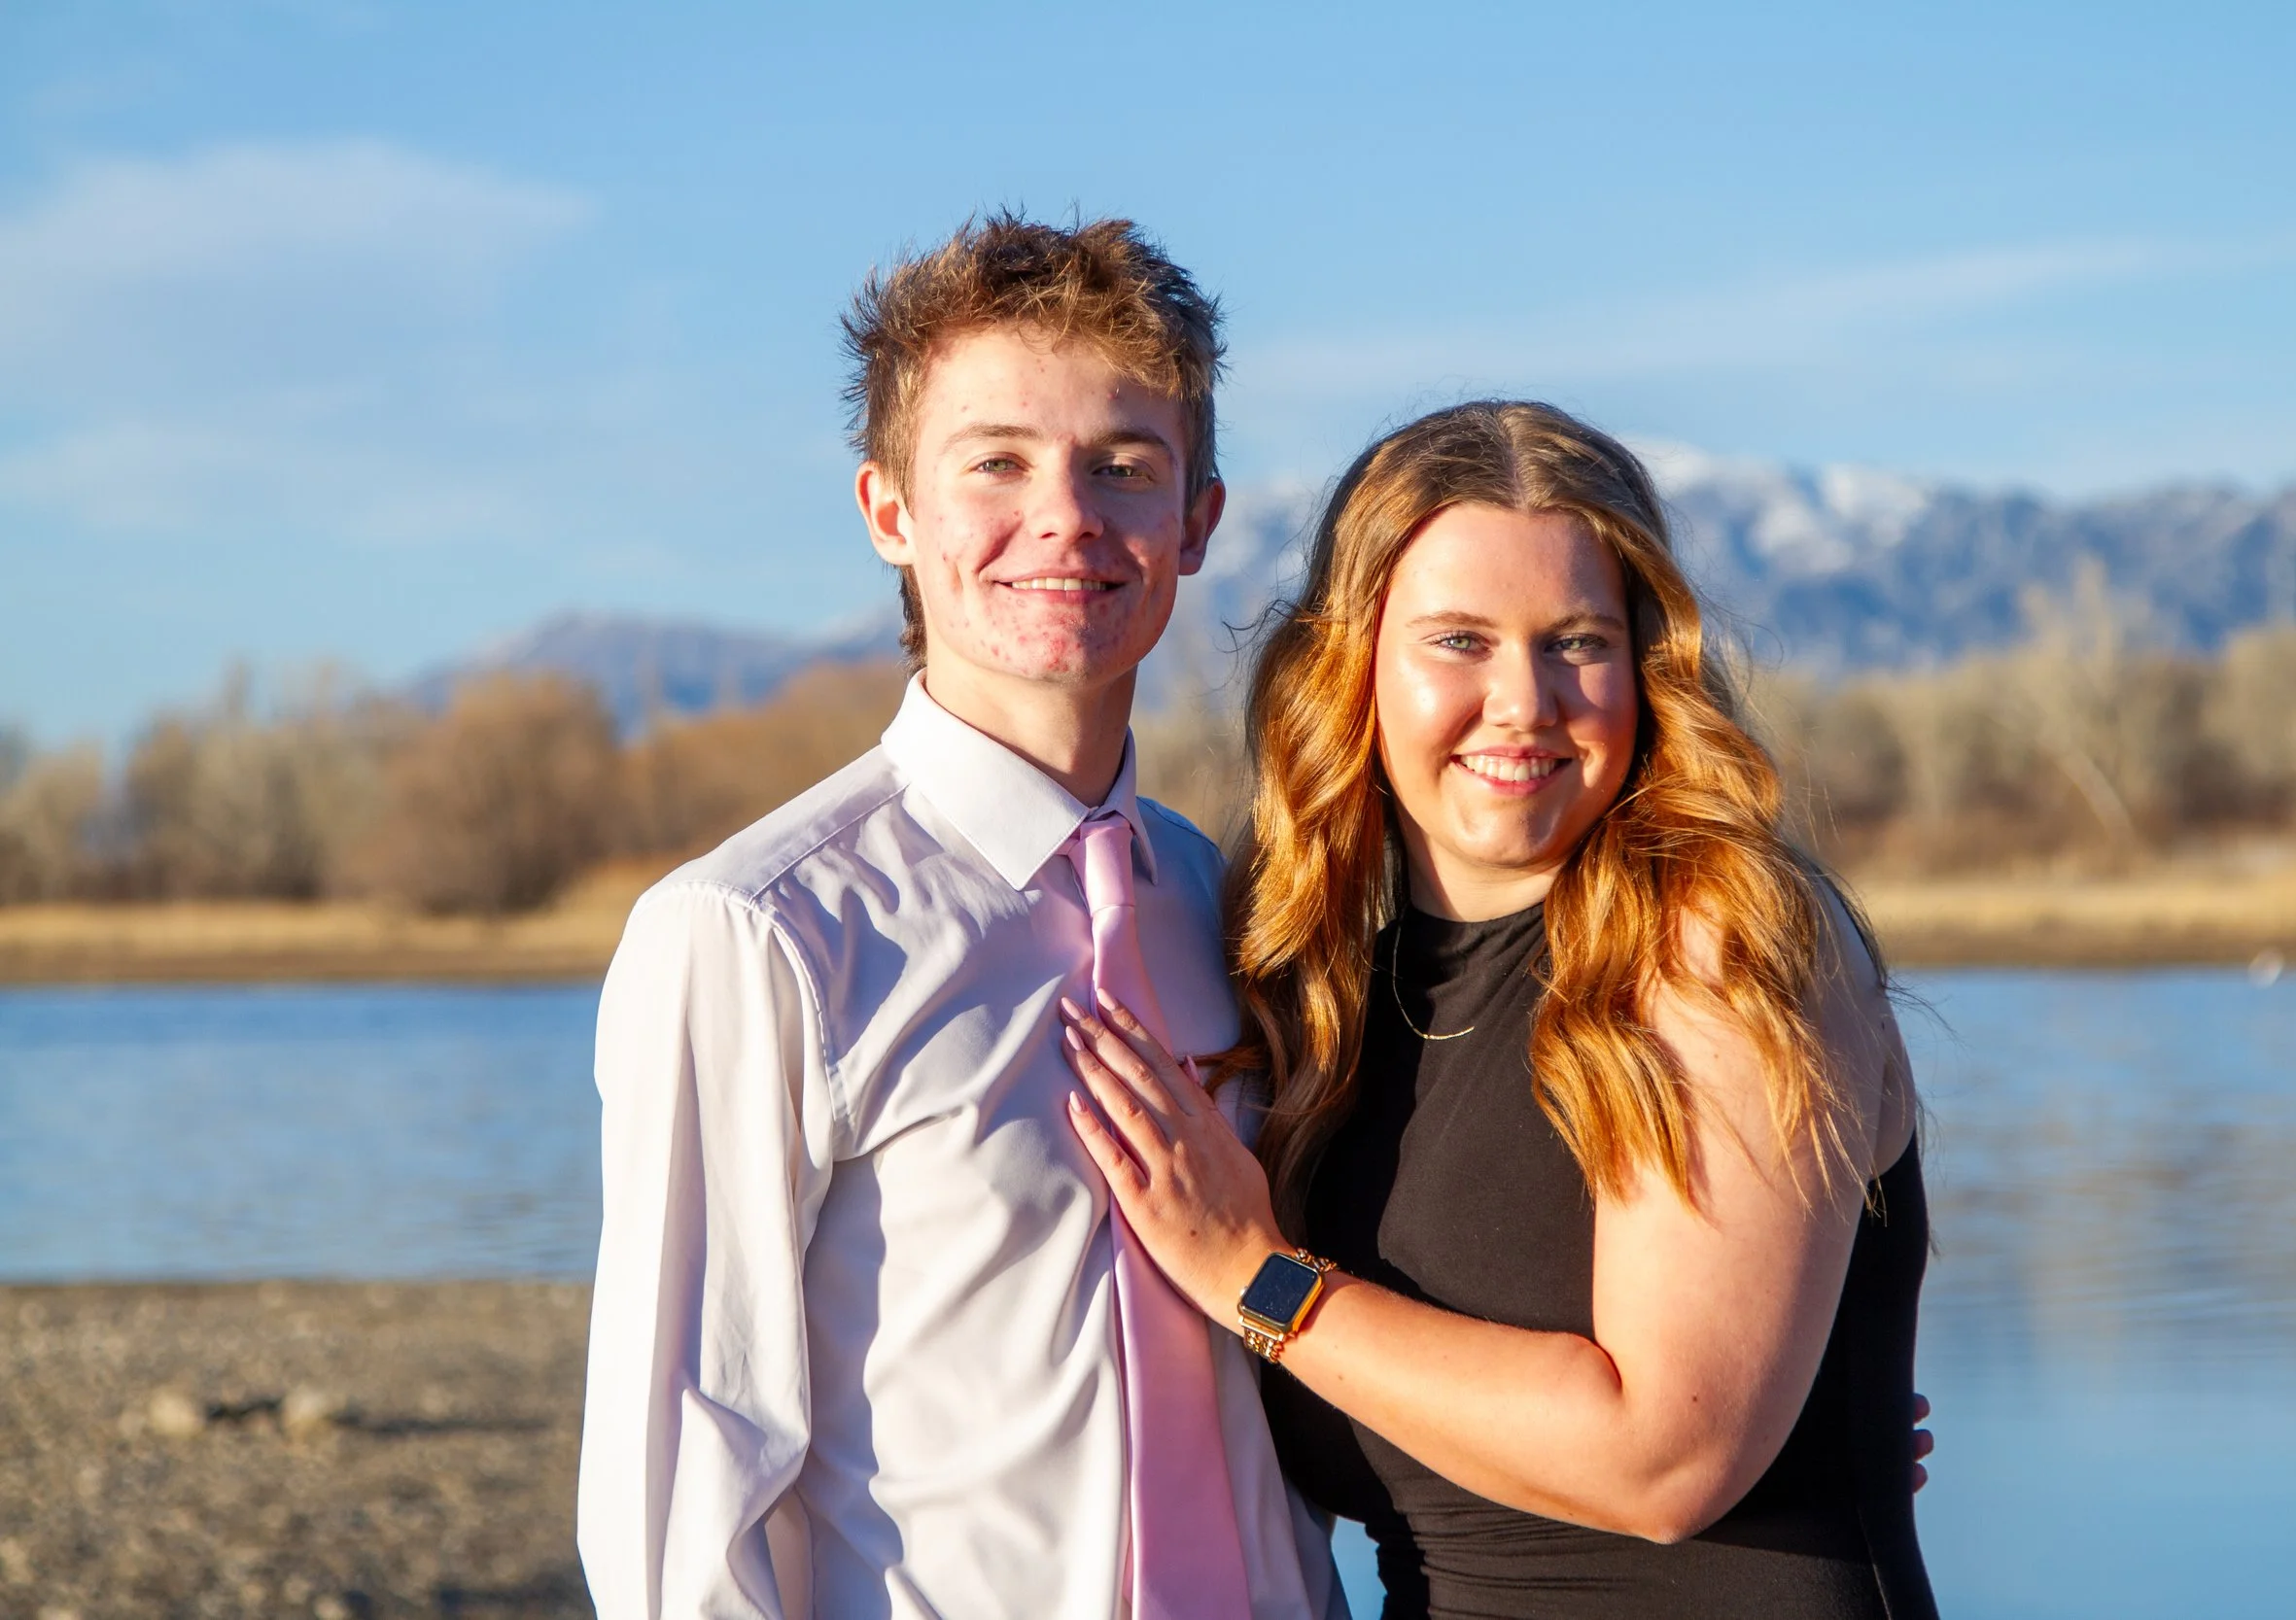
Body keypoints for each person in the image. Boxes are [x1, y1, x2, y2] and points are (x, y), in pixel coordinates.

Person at [575, 214, 1344, 1619]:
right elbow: (679, 1486)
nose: (1065, 515)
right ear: (889, 510)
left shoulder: (1233, 905)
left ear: (1197, 521)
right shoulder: (756, 935)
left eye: (1123, 465)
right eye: (997, 461)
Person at [1061, 400, 1937, 1618]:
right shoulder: (1327, 993)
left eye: (1575, 640)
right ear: (1352, 664)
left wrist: (1255, 1276)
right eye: (1459, 640)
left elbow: (1665, 1459)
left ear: (1644, 662)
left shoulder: (1715, 937)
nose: (1524, 701)